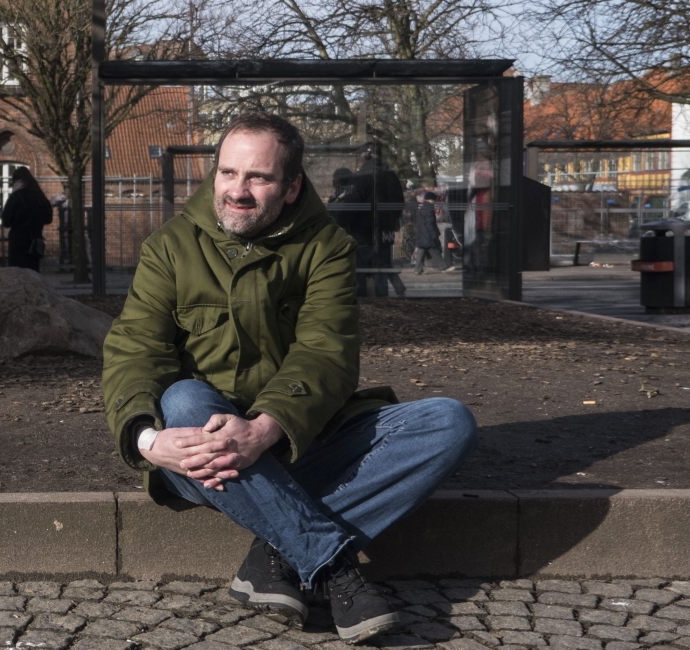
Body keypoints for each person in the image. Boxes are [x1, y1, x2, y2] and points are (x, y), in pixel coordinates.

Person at [102, 113, 477, 645]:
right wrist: (148, 441)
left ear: (293, 185)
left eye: (259, 178)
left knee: (448, 422)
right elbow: (135, 349)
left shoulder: (327, 247)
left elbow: (326, 354)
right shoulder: (170, 246)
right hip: (201, 452)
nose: (238, 191)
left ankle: (276, 553)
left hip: (295, 440)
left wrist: (264, 429)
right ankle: (331, 566)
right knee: (184, 397)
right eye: (228, 173)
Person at [344, 147, 406, 297]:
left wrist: (347, 227)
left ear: (366, 156)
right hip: (384, 235)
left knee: (360, 273)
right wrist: (389, 222)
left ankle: (366, 304)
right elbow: (399, 204)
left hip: (362, 234)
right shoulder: (392, 177)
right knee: (381, 270)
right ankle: (382, 302)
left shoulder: (360, 177)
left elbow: (349, 206)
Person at [0, 167, 52, 271]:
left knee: (17, 275)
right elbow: (48, 218)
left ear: (18, 180)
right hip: (34, 243)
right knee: (33, 274)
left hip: (18, 243)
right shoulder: (39, 196)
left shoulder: (16, 197)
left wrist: (13, 194)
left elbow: (6, 221)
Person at [412, 191, 448, 274]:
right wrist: (434, 234)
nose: (435, 202)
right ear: (432, 200)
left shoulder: (421, 208)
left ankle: (418, 269)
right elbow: (430, 223)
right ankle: (443, 266)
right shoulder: (430, 209)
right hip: (428, 235)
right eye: (435, 200)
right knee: (434, 250)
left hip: (421, 234)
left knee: (421, 250)